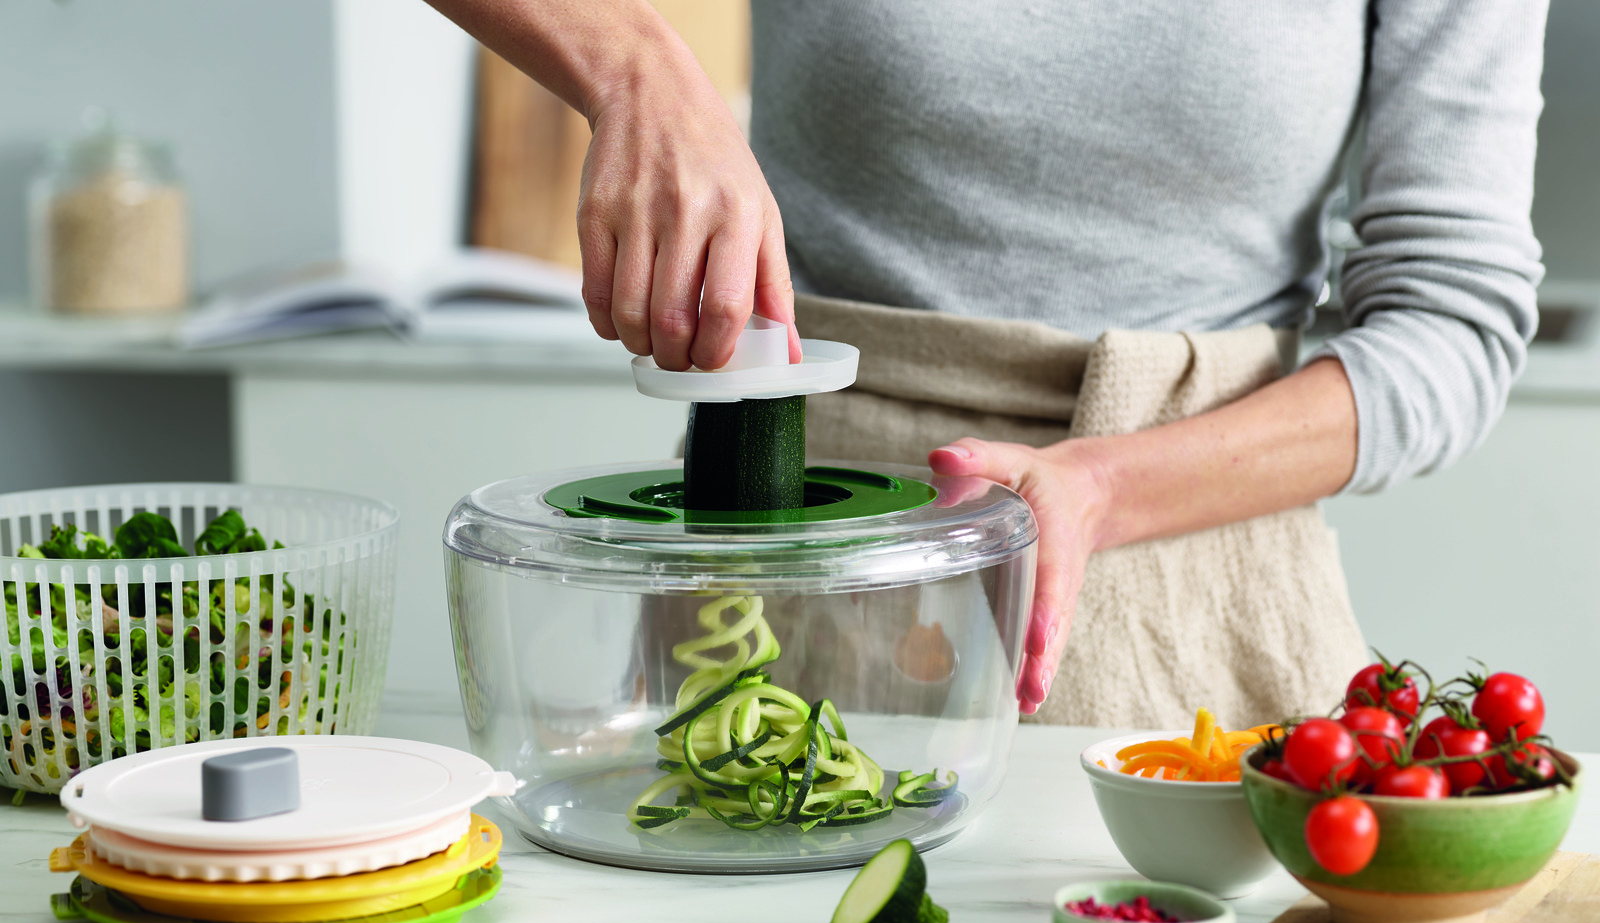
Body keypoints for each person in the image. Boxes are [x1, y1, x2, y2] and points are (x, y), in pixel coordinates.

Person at [430, 0, 1546, 727]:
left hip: (1207, 593)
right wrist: (633, 64)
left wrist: (1104, 487)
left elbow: (1451, 319)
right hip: (801, 567)